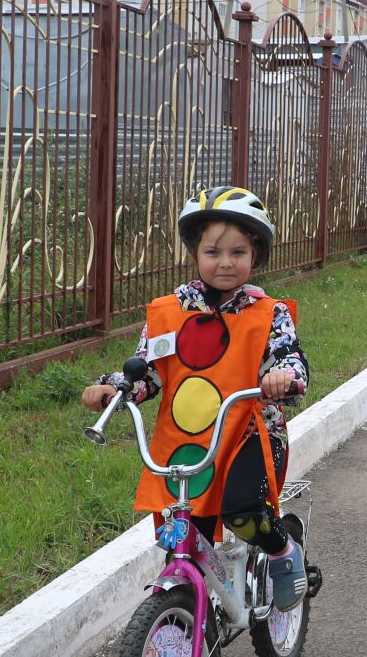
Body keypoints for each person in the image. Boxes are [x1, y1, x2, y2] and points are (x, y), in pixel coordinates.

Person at [82, 187, 312, 608]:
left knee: (243, 510)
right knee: (186, 532)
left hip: (250, 435)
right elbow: (146, 369)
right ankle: (192, 613)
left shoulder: (268, 313)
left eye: (238, 252)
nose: (225, 262)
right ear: (195, 253)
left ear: (255, 254)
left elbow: (292, 360)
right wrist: (116, 387)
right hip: (192, 440)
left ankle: (282, 551)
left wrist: (284, 376)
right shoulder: (170, 313)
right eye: (213, 252)